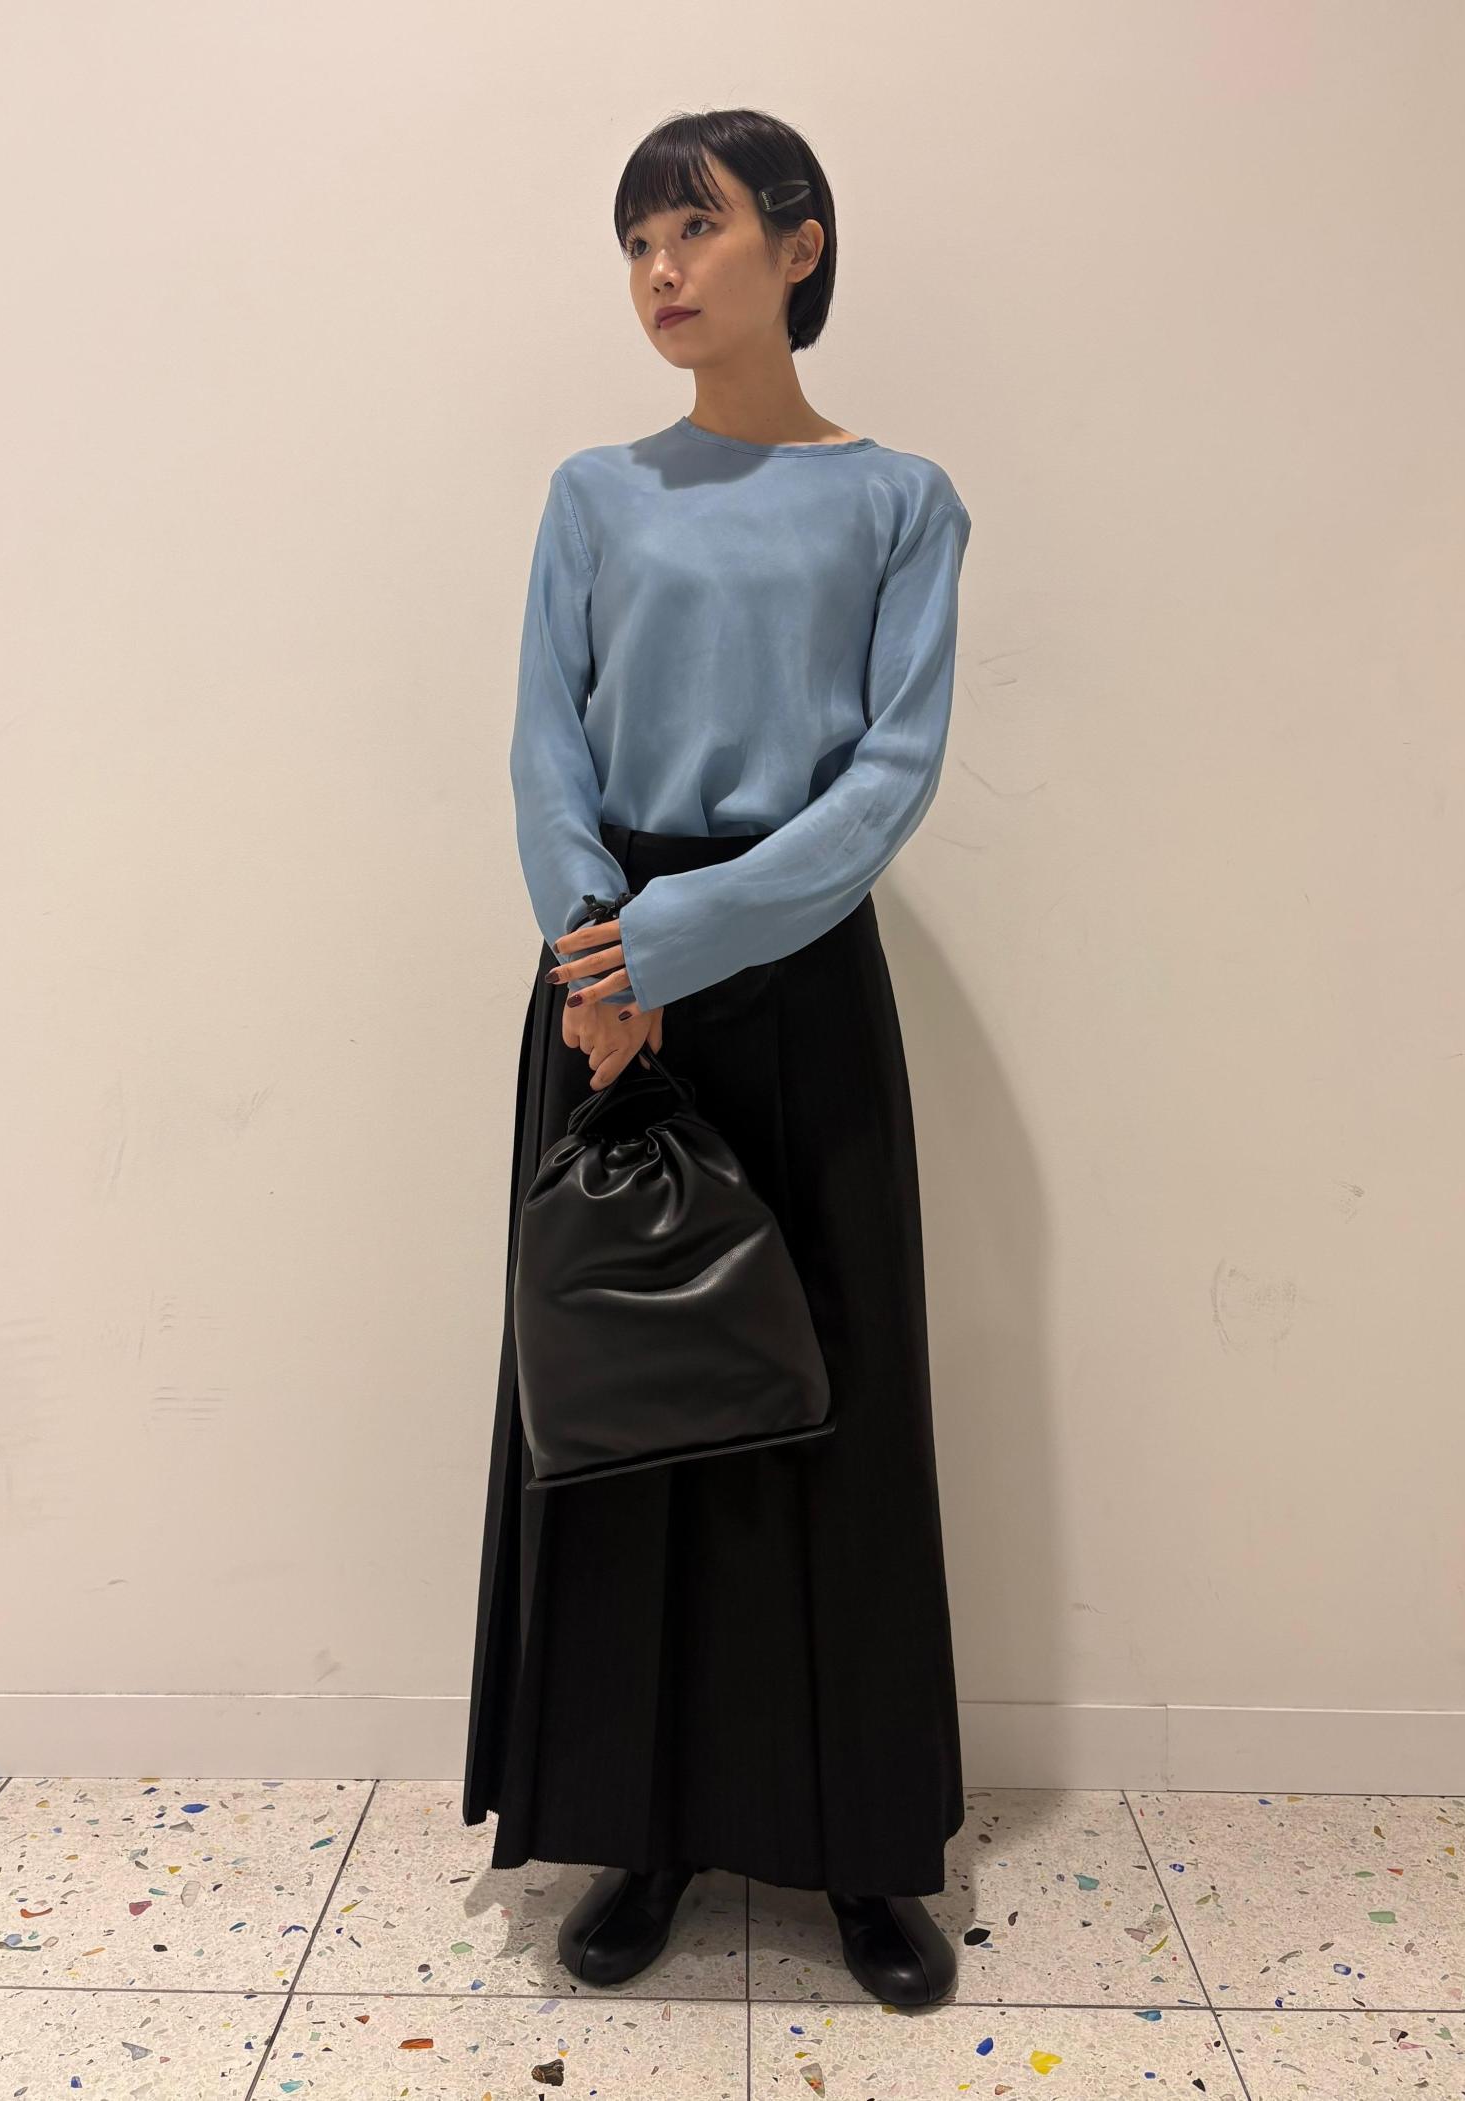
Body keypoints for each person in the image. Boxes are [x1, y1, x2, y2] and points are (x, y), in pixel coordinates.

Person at [463, 107, 972, 2008]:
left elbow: (889, 777)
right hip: (602, 977)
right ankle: (639, 1824)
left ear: (801, 245)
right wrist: (598, 948)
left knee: (831, 1393)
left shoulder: (902, 500)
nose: (662, 271)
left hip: (796, 971)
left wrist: (679, 941)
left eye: (697, 227)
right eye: (637, 241)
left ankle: (860, 1846)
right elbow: (546, 738)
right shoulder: (596, 492)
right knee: (625, 1392)